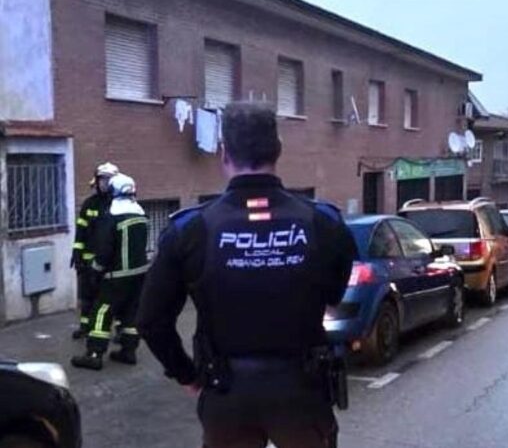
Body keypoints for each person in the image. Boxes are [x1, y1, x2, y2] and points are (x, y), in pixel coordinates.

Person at [137, 102, 356, 448]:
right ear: (278, 150)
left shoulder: (190, 230)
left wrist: (187, 375)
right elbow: (333, 293)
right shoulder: (324, 224)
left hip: (225, 393)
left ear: (224, 153)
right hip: (301, 392)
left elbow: (151, 321)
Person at [71, 174, 149, 370]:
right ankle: (128, 351)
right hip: (139, 273)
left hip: (116, 275)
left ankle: (94, 354)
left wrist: (95, 271)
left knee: (102, 310)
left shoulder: (112, 217)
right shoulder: (141, 214)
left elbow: (104, 249)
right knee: (131, 312)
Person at [71, 162, 118, 339]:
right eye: (102, 179)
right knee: (87, 296)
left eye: (108, 180)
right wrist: (77, 255)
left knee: (110, 297)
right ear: (97, 181)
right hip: (88, 262)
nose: (104, 183)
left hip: (109, 263)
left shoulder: (117, 205)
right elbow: (80, 231)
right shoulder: (89, 204)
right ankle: (85, 327)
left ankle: (119, 331)